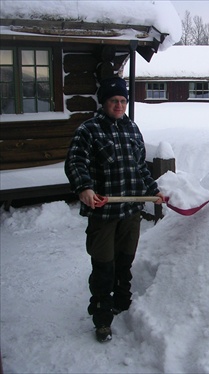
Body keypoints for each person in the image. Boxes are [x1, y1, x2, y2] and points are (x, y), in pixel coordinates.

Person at [65, 76, 164, 343]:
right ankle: (102, 318)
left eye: (122, 100)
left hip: (130, 211)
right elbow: (76, 162)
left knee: (124, 262)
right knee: (103, 267)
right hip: (104, 213)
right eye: (114, 101)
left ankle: (122, 302)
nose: (119, 105)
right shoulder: (89, 129)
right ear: (104, 103)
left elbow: (140, 167)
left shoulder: (132, 128)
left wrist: (154, 191)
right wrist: (84, 187)